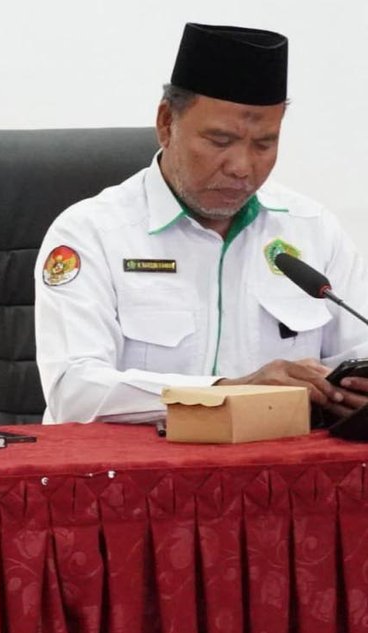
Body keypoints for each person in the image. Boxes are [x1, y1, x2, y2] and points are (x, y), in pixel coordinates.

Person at [36, 24, 368, 424]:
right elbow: (75, 392)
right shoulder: (91, 234)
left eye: (264, 144)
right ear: (165, 124)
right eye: (220, 141)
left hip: (274, 473)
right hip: (130, 478)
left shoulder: (312, 230)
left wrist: (347, 392)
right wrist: (229, 393)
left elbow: (358, 354)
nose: (242, 167)